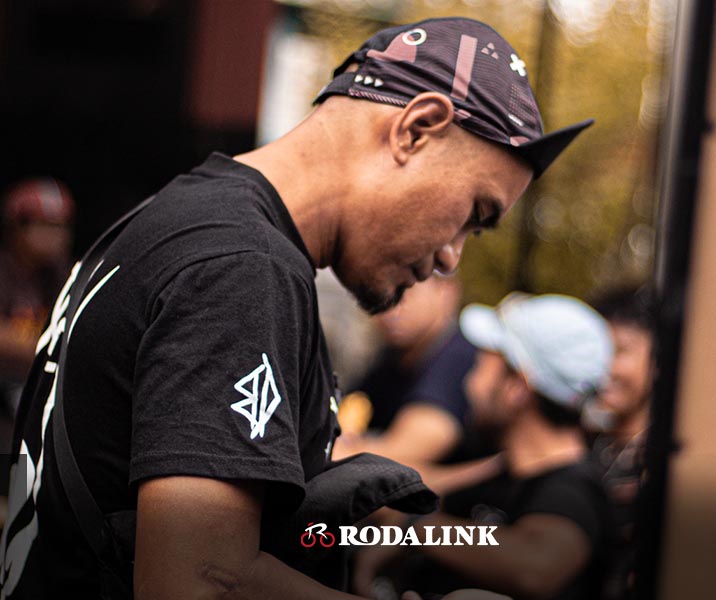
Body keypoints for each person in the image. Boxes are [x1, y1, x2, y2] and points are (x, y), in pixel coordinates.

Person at [0, 17, 593, 599]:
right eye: (472, 214)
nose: (450, 257)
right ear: (416, 129)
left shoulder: (182, 218)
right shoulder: (240, 264)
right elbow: (200, 580)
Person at [354, 293, 615, 600]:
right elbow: (413, 487)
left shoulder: (571, 493)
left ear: (516, 387)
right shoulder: (503, 469)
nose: (470, 383)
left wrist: (419, 530)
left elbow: (536, 566)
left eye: (481, 367)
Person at [334, 274, 477, 466]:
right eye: (378, 295)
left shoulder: (459, 358)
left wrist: (325, 449)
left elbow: (403, 453)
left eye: (403, 292)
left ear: (446, 292)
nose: (389, 307)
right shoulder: (394, 356)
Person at [0, 178, 74, 526]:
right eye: (44, 225)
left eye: (61, 225)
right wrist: (51, 345)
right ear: (17, 226)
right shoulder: (5, 272)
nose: (55, 236)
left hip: (36, 406)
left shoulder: (63, 276)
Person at [588, 285, 654, 599]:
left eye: (620, 351)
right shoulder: (590, 444)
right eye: (595, 350)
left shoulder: (658, 461)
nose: (605, 367)